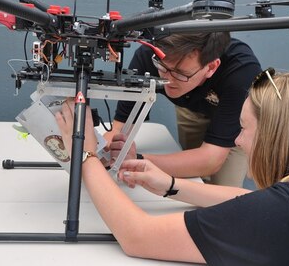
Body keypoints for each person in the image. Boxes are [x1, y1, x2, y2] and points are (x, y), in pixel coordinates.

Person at [56, 70, 289, 265]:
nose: (238, 141)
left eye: (243, 128)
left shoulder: (283, 214)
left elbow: (138, 236)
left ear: (272, 138)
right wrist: (171, 184)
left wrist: (85, 157)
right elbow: (247, 201)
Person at [104, 32, 262, 187]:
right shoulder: (150, 55)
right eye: (163, 67)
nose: (168, 79)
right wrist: (102, 151)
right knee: (190, 177)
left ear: (211, 67)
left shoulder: (241, 73)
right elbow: (120, 128)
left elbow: (211, 160)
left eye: (181, 74)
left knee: (224, 188)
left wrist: (137, 160)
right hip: (193, 108)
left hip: (236, 119)